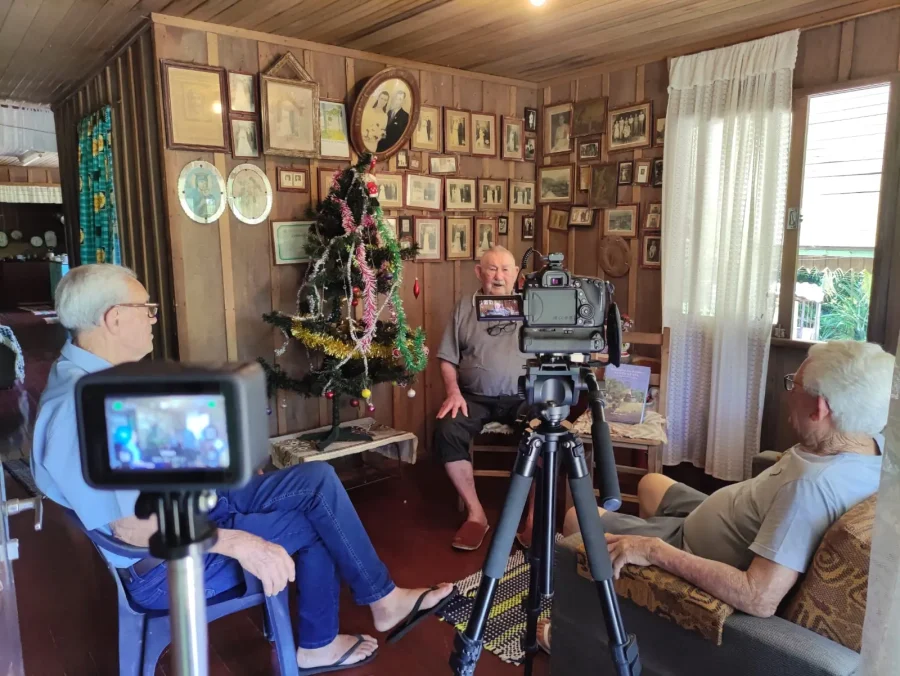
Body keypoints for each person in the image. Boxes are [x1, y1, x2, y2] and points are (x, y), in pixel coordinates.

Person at [32, 264, 455, 674]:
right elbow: (130, 529)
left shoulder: (92, 374)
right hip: (161, 563)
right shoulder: (78, 408)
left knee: (316, 480)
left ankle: (384, 600)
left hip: (185, 512)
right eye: (147, 309)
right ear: (115, 318)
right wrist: (236, 542)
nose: (153, 320)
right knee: (314, 524)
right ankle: (316, 646)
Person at [537, 341, 891, 652]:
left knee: (575, 520)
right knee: (651, 483)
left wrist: (653, 550)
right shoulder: (875, 449)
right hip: (720, 516)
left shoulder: (811, 490)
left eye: (793, 385)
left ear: (820, 410)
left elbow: (759, 597)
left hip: (696, 548)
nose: (788, 393)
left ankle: (578, 633)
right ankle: (641, 612)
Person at [434, 246, 531, 551]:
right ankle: (476, 515)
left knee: (546, 432)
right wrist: (453, 392)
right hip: (474, 397)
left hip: (523, 396)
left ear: (517, 274)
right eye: (492, 269)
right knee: (447, 429)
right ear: (479, 273)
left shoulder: (534, 306)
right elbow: (447, 358)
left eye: (505, 269)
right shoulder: (464, 307)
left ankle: (532, 518)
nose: (499, 276)